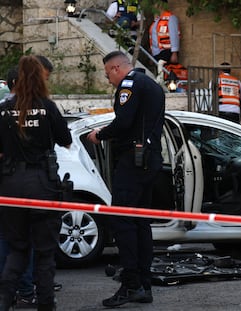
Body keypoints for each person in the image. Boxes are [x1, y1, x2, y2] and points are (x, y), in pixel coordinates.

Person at [87, 51, 164, 307]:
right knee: (141, 224)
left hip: (133, 160)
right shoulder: (152, 85)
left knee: (123, 221)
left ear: (116, 68)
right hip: (149, 159)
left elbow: (123, 122)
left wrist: (101, 134)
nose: (108, 77)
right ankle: (144, 283)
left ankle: (131, 284)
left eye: (107, 72)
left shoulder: (129, 84)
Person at [0, 55, 72, 311]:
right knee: (44, 253)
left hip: (10, 186)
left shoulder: (4, 108)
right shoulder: (48, 107)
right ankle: (45, 304)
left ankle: (5, 300)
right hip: (43, 184)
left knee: (16, 250)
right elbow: (66, 140)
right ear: (41, 76)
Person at [149, 0, 180, 64]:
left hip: (167, 52)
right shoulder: (157, 20)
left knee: (166, 72)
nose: (153, 6)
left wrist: (174, 53)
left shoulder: (170, 18)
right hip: (156, 52)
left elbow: (174, 36)